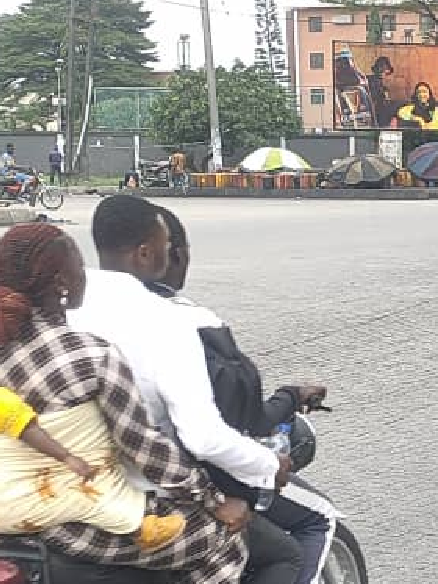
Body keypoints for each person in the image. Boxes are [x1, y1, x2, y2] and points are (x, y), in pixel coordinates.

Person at [0, 223, 250, 583]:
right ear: (62, 283)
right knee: (225, 541)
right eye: (79, 269)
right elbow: (143, 448)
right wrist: (213, 499)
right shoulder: (90, 356)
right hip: (70, 526)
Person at [67, 196, 301, 584]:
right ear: (145, 253)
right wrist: (268, 465)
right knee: (282, 555)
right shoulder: (166, 321)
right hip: (139, 501)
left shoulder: (63, 309)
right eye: (166, 246)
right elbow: (203, 437)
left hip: (55, 498)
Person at [150, 205, 336, 584]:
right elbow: (237, 423)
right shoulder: (195, 324)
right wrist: (290, 397)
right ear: (174, 255)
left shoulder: (88, 314)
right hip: (191, 484)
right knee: (316, 522)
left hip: (103, 488)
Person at [0, 339, 185, 550]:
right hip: (24, 507)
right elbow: (29, 431)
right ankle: (142, 529)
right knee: (91, 499)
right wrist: (68, 458)